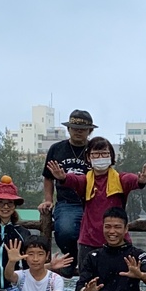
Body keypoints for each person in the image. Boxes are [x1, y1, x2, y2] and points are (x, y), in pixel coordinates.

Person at [45, 136, 146, 266]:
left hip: (118, 240)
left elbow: (131, 180)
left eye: (104, 154)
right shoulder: (85, 181)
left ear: (111, 156)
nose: (100, 157)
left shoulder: (119, 179)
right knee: (87, 281)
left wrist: (140, 180)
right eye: (95, 154)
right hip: (89, 241)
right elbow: (73, 180)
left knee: (121, 280)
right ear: (88, 158)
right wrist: (63, 177)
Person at [39, 109, 96, 276]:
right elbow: (48, 177)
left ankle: (91, 264)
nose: (78, 132)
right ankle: (70, 259)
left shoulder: (95, 149)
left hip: (91, 200)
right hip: (67, 201)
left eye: (83, 129)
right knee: (65, 231)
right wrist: (48, 199)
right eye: (74, 128)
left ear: (89, 131)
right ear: (69, 129)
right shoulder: (57, 149)